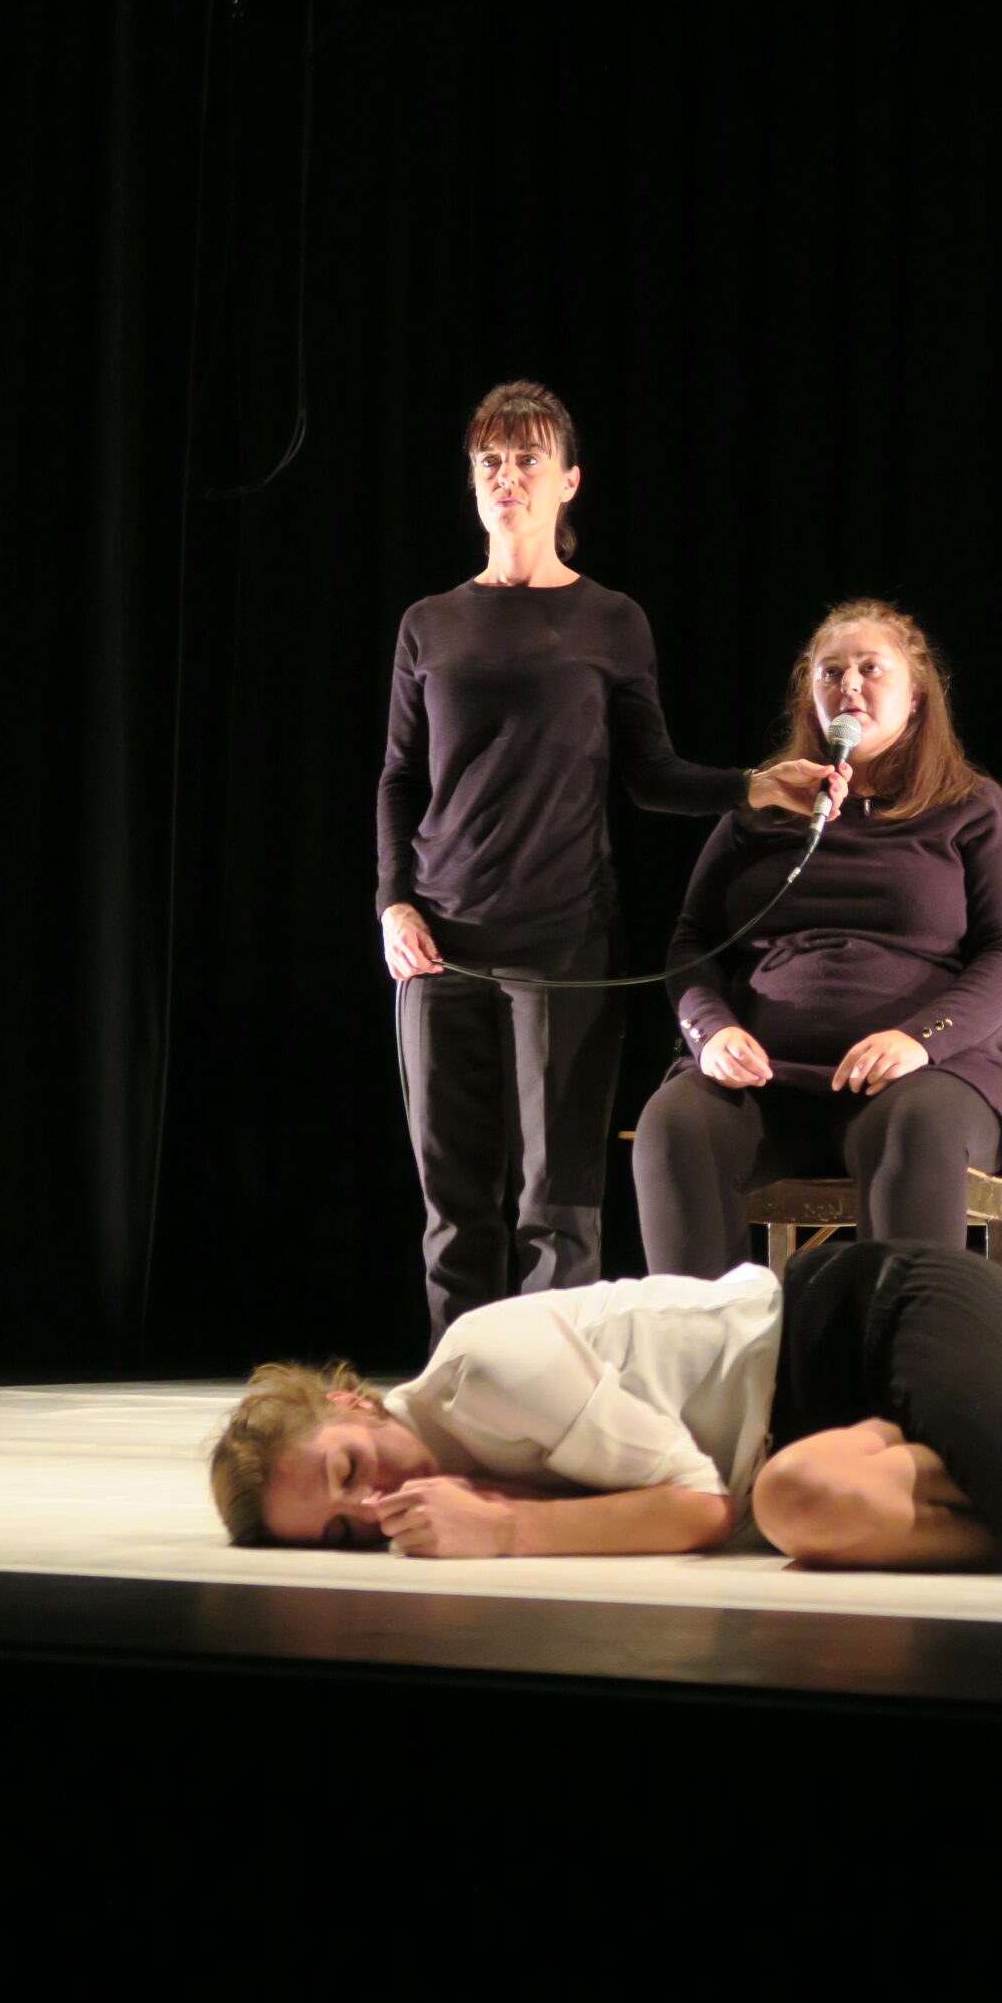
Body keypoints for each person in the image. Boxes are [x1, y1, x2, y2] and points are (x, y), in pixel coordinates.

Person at [377, 380, 844, 1343]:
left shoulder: (610, 621)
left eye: (527, 462)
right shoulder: (429, 624)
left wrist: (755, 787)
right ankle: (462, 1406)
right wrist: (393, 901)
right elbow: (395, 779)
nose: (507, 479)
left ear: (569, 482)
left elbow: (649, 774)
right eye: (490, 463)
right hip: (440, 945)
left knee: (558, 1201)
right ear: (472, 484)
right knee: (454, 1200)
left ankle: (549, 1412)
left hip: (564, 939)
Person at [207, 1243, 1002, 1578]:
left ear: (350, 1400)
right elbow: (745, 1500)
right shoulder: (457, 1466)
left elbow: (697, 1504)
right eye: (347, 1528)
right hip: (811, 1433)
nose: (380, 1507)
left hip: (881, 1316)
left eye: (350, 1469)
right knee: (800, 1506)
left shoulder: (477, 1372)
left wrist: (503, 1530)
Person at [632, 600, 1002, 1276]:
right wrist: (711, 1032)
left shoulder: (970, 808)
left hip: (921, 1078)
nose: (847, 685)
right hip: (768, 1078)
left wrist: (920, 1040)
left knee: (912, 1127)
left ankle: (896, 1369)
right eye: (829, 672)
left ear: (914, 698)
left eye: (870, 669)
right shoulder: (759, 810)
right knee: (674, 1124)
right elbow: (693, 940)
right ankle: (705, 1366)